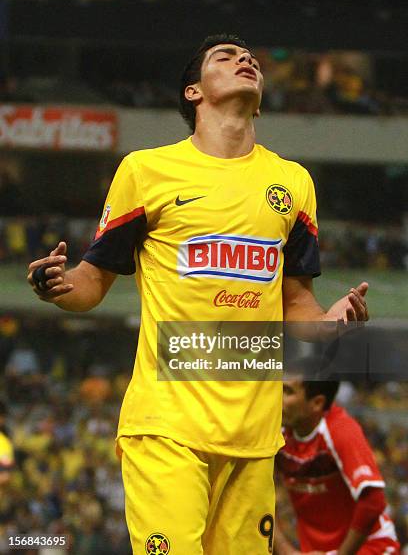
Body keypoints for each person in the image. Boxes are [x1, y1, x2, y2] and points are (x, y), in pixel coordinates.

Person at [27, 34, 369, 554]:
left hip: (254, 438)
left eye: (249, 56)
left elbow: (297, 304)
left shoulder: (293, 183)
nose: (246, 60)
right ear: (193, 92)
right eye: (226, 57)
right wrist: (57, 285)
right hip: (167, 426)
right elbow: (91, 282)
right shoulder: (145, 172)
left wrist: (333, 323)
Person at [274, 379, 400, 555]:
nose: (278, 397)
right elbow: (256, 495)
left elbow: (373, 501)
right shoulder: (276, 431)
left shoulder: (340, 430)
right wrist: (287, 551)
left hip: (371, 549)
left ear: (317, 402)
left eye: (288, 392)